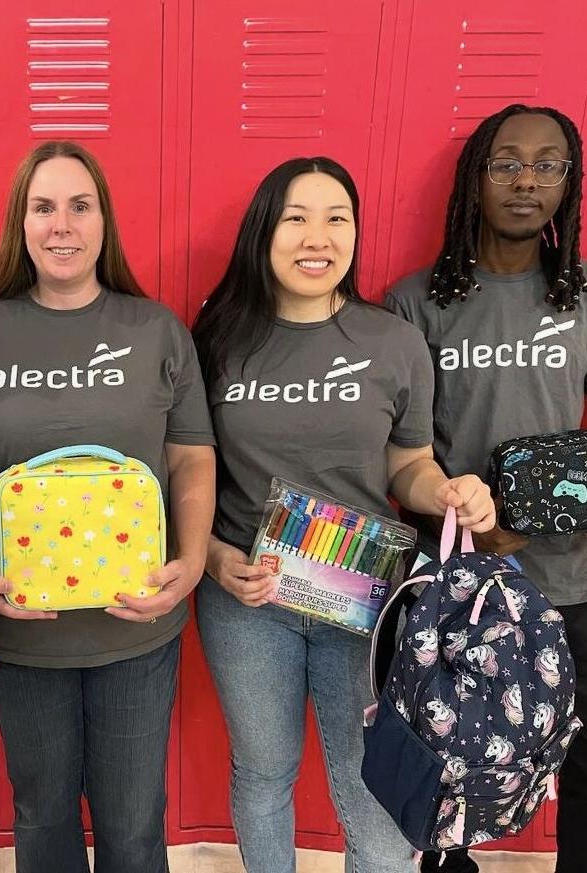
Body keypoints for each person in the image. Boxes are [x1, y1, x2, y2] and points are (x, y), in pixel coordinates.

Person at [191, 156, 496, 873]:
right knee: (263, 772)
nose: (316, 236)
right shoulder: (216, 341)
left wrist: (447, 491)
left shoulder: (391, 341)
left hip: (364, 600)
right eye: (295, 217)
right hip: (247, 595)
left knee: (372, 778)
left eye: (336, 218)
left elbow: (407, 464)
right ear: (264, 231)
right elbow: (186, 472)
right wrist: (209, 554)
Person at [0, 140, 216, 873]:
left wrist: (190, 560)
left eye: (79, 204)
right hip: (24, 633)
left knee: (133, 826)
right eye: (43, 206)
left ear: (104, 220)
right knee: (42, 817)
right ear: (21, 222)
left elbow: (190, 454)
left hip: (137, 626)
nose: (61, 224)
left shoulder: (155, 329)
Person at [386, 104, 587, 873]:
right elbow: (395, 450)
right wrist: (474, 525)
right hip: (457, 585)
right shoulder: (414, 303)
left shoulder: (576, 299)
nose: (526, 180)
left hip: (566, 579)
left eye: (547, 164)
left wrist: (536, 512)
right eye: (506, 162)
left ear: (568, 185)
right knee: (445, 764)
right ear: (475, 178)